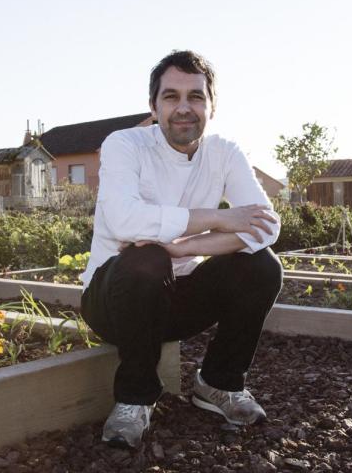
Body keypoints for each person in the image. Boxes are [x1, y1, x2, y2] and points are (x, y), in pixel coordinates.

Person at [80, 50, 283, 449]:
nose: (184, 108)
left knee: (262, 266)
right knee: (144, 259)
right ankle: (133, 400)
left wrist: (180, 248)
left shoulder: (224, 151)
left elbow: (265, 225)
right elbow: (124, 221)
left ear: (212, 105)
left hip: (174, 297)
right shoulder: (125, 144)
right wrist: (219, 218)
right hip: (114, 301)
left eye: (196, 96)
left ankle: (218, 384)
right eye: (171, 96)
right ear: (153, 106)